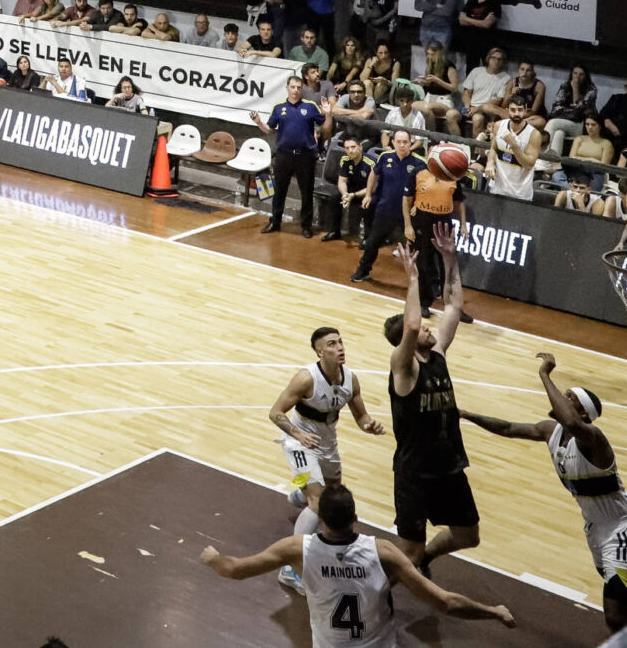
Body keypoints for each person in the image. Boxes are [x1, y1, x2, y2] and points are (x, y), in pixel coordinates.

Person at [461, 352, 627, 627]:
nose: (561, 397)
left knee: (615, 615)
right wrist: (467, 415)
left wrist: (545, 375)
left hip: (623, 529)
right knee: (626, 598)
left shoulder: (593, 440)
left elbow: (572, 422)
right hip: (596, 528)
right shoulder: (552, 431)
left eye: (569, 396)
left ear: (583, 412)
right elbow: (510, 428)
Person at [198, 482, 512, 644]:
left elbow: (235, 570)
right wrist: (493, 612)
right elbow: (445, 602)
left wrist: (213, 560)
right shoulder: (383, 552)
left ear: (320, 520)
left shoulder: (297, 549)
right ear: (356, 519)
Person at [263, 325, 386, 592]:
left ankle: (301, 493)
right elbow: (275, 413)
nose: (339, 347)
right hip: (298, 442)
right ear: (320, 352)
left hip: (327, 443)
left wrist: (369, 425)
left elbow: (361, 416)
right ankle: (289, 567)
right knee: (318, 504)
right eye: (331, 344)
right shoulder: (305, 378)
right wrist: (298, 434)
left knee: (331, 494)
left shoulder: (350, 379)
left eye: (340, 342)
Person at [386, 228, 480, 574]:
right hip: (415, 472)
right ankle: (376, 597)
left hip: (449, 465)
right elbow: (410, 327)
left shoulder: (438, 351)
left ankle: (425, 560)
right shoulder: (404, 367)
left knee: (468, 535)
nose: (428, 328)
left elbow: (454, 304)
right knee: (408, 551)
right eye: (424, 328)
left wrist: (449, 258)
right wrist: (412, 280)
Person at [252, 77, 325, 237]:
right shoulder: (279, 107)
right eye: (293, 87)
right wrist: (258, 122)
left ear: (302, 89)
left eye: (299, 87)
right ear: (287, 88)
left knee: (306, 192)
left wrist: (329, 112)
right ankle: (275, 222)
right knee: (279, 191)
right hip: (284, 155)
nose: (296, 90)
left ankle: (306, 226)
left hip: (305, 156)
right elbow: (269, 129)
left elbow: (323, 122)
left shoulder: (310, 106)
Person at [351, 130, 421, 285]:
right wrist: (368, 194)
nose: (402, 145)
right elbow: (373, 174)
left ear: (410, 143)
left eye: (405, 142)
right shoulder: (385, 157)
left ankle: (429, 284)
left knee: (419, 248)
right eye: (399, 141)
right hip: (386, 209)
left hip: (409, 214)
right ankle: (363, 271)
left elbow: (424, 187)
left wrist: (418, 205)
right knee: (372, 242)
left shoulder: (419, 163)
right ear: (393, 143)